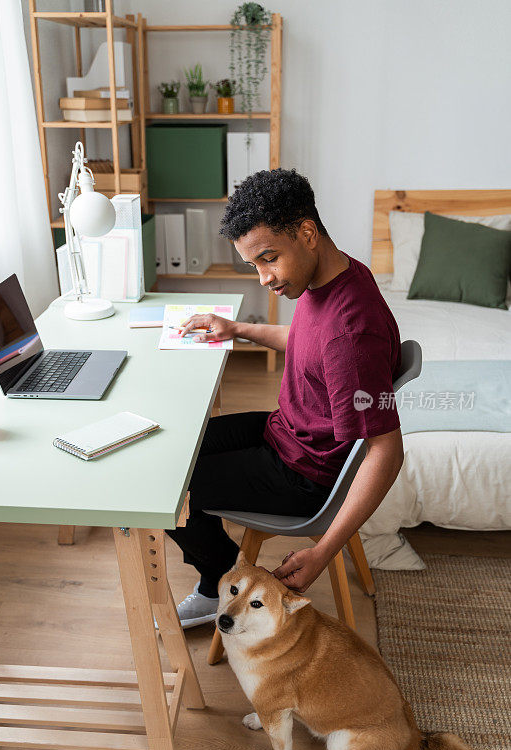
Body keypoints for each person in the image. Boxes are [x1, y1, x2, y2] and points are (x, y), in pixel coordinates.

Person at [165, 168, 404, 628]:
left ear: (307, 233)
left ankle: (223, 578)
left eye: (268, 259)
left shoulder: (351, 335)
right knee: (173, 446)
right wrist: (237, 330)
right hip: (286, 431)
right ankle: (223, 567)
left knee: (161, 486)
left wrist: (321, 551)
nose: (262, 278)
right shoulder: (337, 277)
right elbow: (308, 341)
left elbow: (386, 450)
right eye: (254, 264)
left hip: (304, 474)